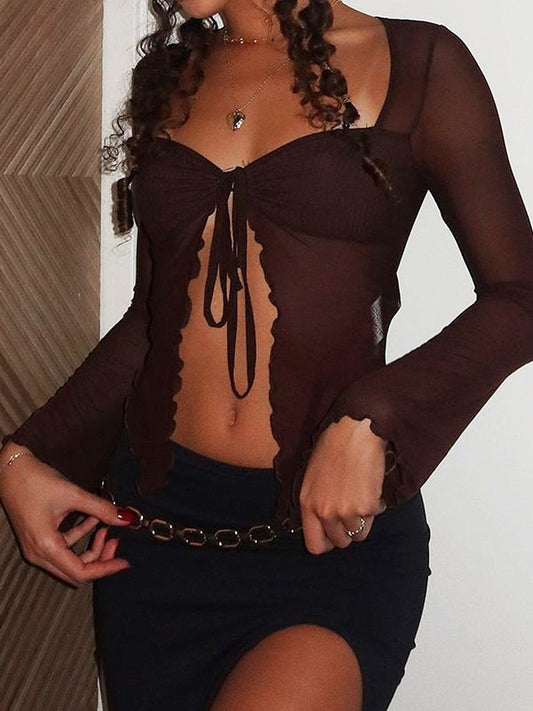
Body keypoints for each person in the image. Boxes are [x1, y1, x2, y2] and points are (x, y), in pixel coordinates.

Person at [1, 1, 532, 710]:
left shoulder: (421, 64)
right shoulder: (174, 77)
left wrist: (373, 417)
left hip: (325, 542)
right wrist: (27, 455)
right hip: (156, 539)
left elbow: (518, 297)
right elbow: (154, 324)